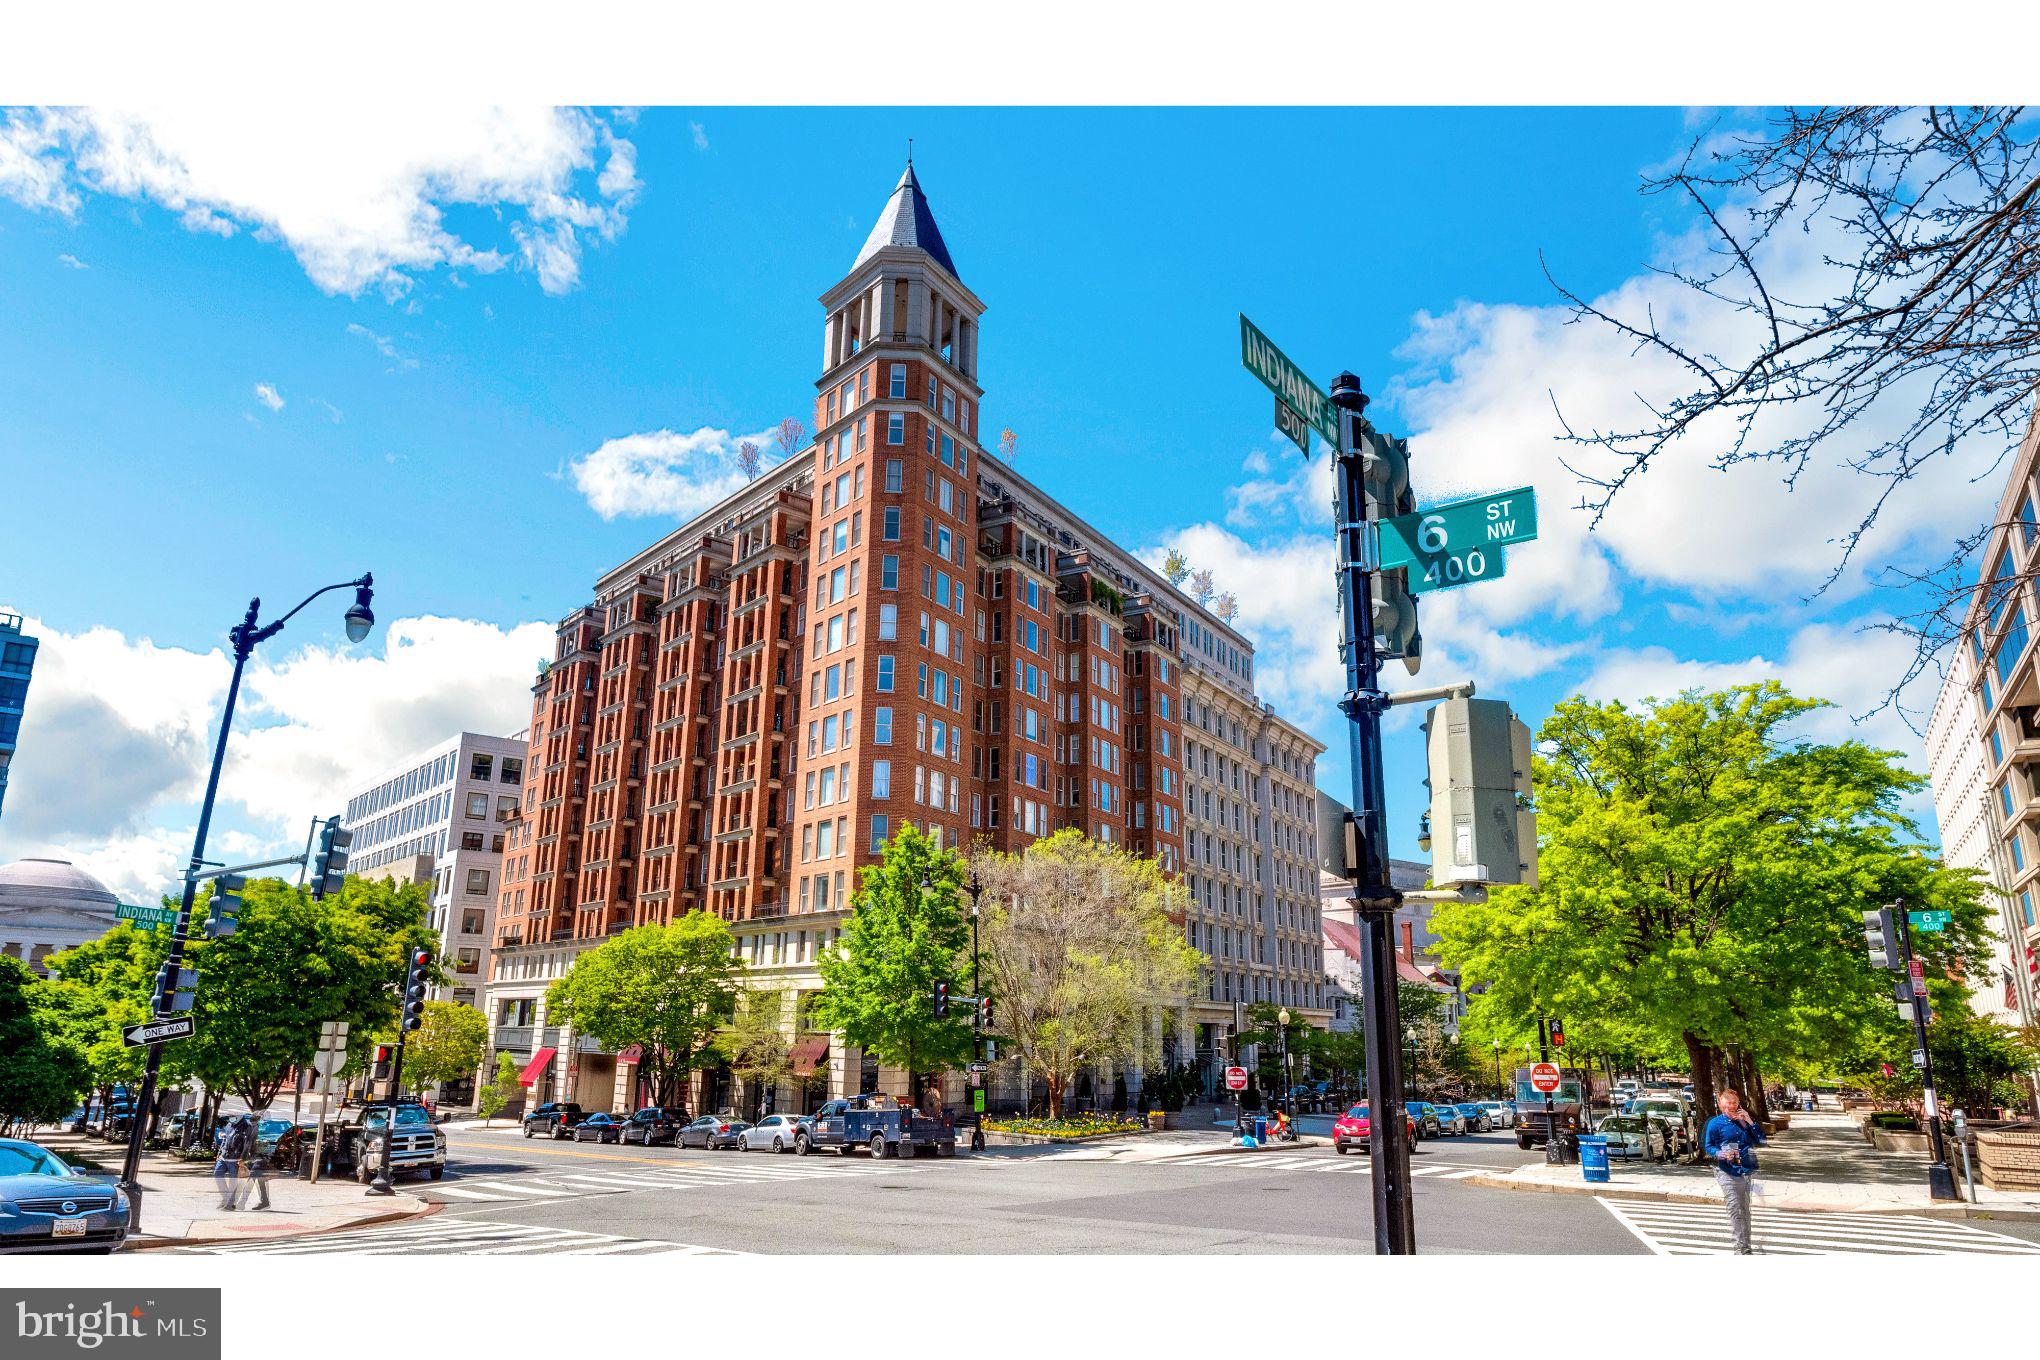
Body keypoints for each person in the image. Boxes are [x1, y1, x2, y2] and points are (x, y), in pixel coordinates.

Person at [1703, 1088, 1767, 1254]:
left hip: (1745, 1169)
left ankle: (1746, 1246)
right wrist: (1719, 1153)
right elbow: (1708, 1146)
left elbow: (1761, 1140)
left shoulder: (1744, 1121)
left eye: (1734, 1102)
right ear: (1721, 1104)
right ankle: (1740, 1248)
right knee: (1735, 1208)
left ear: (1738, 1104)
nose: (1731, 1106)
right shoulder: (1714, 1123)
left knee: (1744, 1209)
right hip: (1726, 1170)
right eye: (1728, 1102)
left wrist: (1749, 1121)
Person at [213, 1115, 251, 1211]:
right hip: (224, 1157)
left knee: (233, 1182)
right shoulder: (230, 1125)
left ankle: (230, 1204)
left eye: (234, 1116)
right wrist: (219, 1153)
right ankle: (226, 1198)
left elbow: (247, 1144)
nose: (231, 1117)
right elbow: (225, 1140)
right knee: (217, 1174)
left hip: (235, 1159)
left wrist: (242, 1158)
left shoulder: (246, 1127)